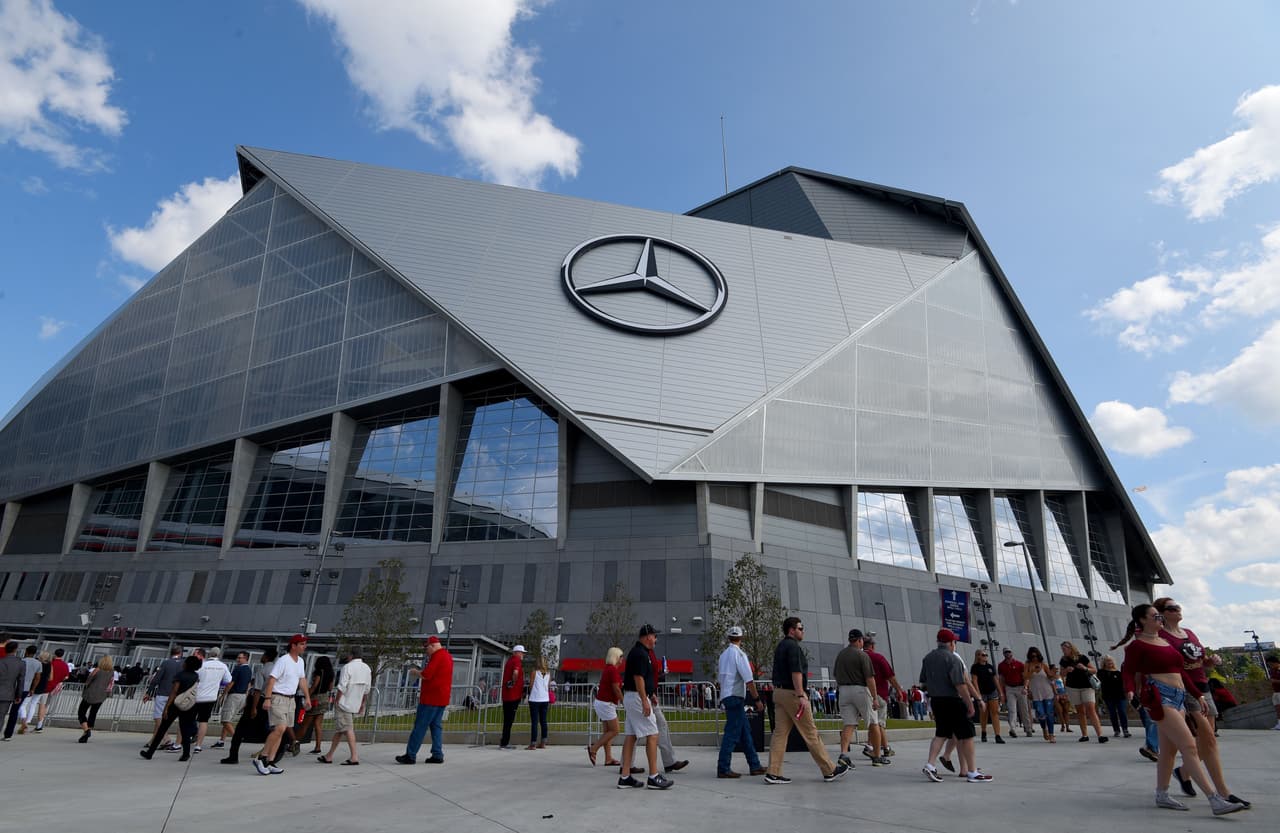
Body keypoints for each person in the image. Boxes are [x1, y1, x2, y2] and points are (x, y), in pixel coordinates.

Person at [1116, 604, 1243, 815]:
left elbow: (1181, 672)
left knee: (1168, 752)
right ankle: (1215, 799)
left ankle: (1162, 794)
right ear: (1142, 620)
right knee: (1189, 746)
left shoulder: (1165, 642)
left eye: (1159, 616)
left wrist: (1198, 694)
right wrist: (1130, 691)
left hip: (1179, 698)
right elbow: (1128, 672)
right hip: (1160, 698)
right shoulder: (1137, 646)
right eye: (1155, 616)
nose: (1159, 619)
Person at [1154, 598, 1247, 807]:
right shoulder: (1161, 636)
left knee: (1204, 742)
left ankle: (1183, 772)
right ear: (1162, 613)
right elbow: (1168, 665)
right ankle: (1222, 793)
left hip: (1203, 687)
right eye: (1172, 608)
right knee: (1208, 740)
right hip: (1184, 689)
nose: (1178, 610)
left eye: (1178, 607)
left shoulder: (1189, 633)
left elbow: (1199, 661)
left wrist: (1210, 662)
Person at [763, 617, 849, 785]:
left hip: (779, 693)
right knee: (810, 733)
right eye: (800, 628)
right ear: (791, 630)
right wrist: (801, 695)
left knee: (779, 734)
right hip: (792, 694)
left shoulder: (781, 646)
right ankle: (829, 770)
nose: (803, 631)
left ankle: (773, 772)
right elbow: (796, 672)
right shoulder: (793, 647)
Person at [920, 628, 991, 783]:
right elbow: (960, 684)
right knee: (967, 735)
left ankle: (930, 764)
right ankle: (972, 772)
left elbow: (924, 680)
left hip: (937, 700)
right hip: (952, 700)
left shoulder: (928, 658)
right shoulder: (953, 659)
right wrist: (970, 703)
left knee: (941, 733)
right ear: (951, 643)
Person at [616, 624, 674, 790]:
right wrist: (644, 699)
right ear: (647, 636)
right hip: (636, 697)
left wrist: (651, 694)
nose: (656, 639)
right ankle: (654, 776)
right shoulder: (640, 654)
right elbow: (638, 678)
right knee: (653, 733)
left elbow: (644, 679)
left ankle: (625, 776)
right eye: (654, 636)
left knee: (631, 736)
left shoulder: (641, 653)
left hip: (633, 696)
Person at [256, 634, 312, 775]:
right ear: (293, 646)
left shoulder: (300, 662)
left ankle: (270, 761)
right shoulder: (283, 660)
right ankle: (262, 758)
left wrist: (307, 697)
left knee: (282, 730)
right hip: (278, 697)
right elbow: (272, 679)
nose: (304, 646)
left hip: (290, 699)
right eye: (301, 644)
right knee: (279, 728)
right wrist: (267, 698)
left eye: (305, 644)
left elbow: (302, 679)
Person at [716, 625, 765, 778]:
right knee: (731, 734)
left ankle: (754, 765)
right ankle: (723, 768)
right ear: (741, 638)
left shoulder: (723, 655)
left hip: (726, 695)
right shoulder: (740, 655)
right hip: (736, 696)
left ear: (729, 637)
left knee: (745, 733)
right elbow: (749, 680)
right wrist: (757, 699)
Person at [397, 636, 453, 765]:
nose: (426, 651)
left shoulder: (437, 656)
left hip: (431, 698)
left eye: (426, 647)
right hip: (442, 697)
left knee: (420, 726)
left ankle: (410, 755)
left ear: (432, 645)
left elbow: (427, 674)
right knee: (436, 726)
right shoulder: (447, 656)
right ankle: (437, 754)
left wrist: (415, 672)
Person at [834, 627, 883, 767]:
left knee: (848, 724)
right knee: (873, 722)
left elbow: (836, 675)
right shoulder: (862, 656)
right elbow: (869, 678)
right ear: (860, 640)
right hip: (860, 689)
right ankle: (877, 756)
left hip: (843, 690)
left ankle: (844, 754)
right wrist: (874, 697)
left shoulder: (841, 655)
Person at [220, 647, 276, 766]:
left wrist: (253, 707)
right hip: (271, 700)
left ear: (266, 657)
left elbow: (257, 690)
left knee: (240, 730)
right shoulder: (276, 669)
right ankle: (271, 752)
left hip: (259, 700)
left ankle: (233, 755)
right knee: (269, 728)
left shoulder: (262, 670)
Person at [141, 655, 202, 761]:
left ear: (187, 664)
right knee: (185, 730)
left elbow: (174, 692)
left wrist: (166, 707)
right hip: (188, 705)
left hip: (175, 704)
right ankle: (186, 754)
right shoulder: (196, 676)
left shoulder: (180, 675)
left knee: (163, 728)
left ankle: (150, 752)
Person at [320, 646, 371, 765]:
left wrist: (336, 700)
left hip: (343, 702)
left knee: (347, 728)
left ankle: (354, 756)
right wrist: (362, 704)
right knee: (341, 728)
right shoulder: (366, 668)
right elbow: (367, 689)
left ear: (351, 655)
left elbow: (342, 685)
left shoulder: (347, 667)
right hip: (355, 703)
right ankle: (329, 755)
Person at [863, 637, 904, 758]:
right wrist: (898, 690)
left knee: (872, 721)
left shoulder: (859, 657)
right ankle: (885, 748)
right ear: (872, 646)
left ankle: (870, 745)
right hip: (879, 694)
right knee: (879, 723)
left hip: (863, 694)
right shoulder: (878, 658)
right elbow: (890, 676)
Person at [1058, 641, 1106, 742]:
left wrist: (1084, 668)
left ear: (1071, 648)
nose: (1063, 651)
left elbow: (1094, 670)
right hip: (1073, 687)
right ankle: (1085, 735)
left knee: (1091, 709)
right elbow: (1061, 673)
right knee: (1080, 711)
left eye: (1065, 649)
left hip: (1086, 686)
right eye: (1062, 649)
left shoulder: (1082, 657)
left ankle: (1100, 735)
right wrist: (1066, 670)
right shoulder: (1063, 660)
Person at [587, 647, 624, 766]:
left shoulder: (609, 669)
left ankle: (608, 758)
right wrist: (624, 702)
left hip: (602, 703)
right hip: (606, 704)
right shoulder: (612, 670)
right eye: (621, 656)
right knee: (615, 730)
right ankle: (594, 749)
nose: (622, 659)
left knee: (608, 731)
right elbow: (616, 689)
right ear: (616, 657)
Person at [143, 646, 184, 751]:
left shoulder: (166, 663)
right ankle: (154, 740)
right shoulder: (183, 664)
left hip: (163, 693)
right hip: (177, 695)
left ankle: (166, 738)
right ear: (181, 653)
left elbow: (156, 679)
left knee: (158, 717)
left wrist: (149, 692)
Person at [193, 647, 231, 752]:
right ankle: (198, 745)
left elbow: (194, 677)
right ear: (219, 655)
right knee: (203, 721)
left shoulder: (202, 664)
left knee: (189, 719)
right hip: (210, 697)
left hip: (197, 695)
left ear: (209, 654)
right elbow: (228, 680)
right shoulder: (223, 666)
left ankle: (182, 742)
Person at [214, 652, 253, 748]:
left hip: (234, 695)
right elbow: (249, 684)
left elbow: (231, 682)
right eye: (238, 657)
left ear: (245, 659)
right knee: (229, 719)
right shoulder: (249, 670)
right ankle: (221, 740)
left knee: (225, 720)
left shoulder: (238, 669)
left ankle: (237, 739)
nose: (238, 659)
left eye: (240, 658)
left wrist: (223, 694)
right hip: (242, 695)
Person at [301, 654, 335, 754]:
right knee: (318, 724)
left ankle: (293, 743)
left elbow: (315, 685)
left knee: (305, 724)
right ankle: (318, 747)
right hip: (325, 698)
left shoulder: (319, 672)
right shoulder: (331, 673)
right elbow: (330, 688)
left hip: (316, 698)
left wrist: (307, 694)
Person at [970, 649, 1004, 744]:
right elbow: (974, 681)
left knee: (995, 713)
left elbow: (995, 679)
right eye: (983, 655)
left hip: (992, 692)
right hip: (982, 693)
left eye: (986, 655)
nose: (985, 656)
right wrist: (978, 693)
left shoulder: (990, 667)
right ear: (978, 656)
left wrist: (1000, 692)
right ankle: (983, 732)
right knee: (983, 714)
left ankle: (997, 735)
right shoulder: (975, 667)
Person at [77, 655, 115, 742]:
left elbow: (88, 680)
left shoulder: (97, 670)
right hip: (102, 695)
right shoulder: (111, 672)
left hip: (90, 694)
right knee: (93, 713)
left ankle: (86, 730)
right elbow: (111, 684)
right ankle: (86, 733)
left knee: (81, 712)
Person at [997, 647, 1032, 738]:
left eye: (1009, 652)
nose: (1007, 654)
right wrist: (1002, 693)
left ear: (1012, 653)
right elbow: (1001, 679)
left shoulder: (1019, 664)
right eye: (1006, 652)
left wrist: (1025, 687)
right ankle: (1013, 728)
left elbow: (1026, 677)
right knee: (1012, 709)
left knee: (1024, 709)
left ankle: (1028, 728)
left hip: (1020, 687)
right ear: (1004, 654)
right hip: (1009, 688)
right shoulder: (1001, 665)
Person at [1024, 647, 1055, 743]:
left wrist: (1053, 673)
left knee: (1049, 714)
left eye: (1036, 656)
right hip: (1036, 694)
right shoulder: (1028, 665)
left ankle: (1051, 734)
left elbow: (1050, 676)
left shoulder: (1043, 665)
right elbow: (1025, 677)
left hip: (1047, 692)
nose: (1035, 658)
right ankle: (1044, 729)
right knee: (1041, 714)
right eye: (1032, 656)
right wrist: (1032, 671)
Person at [35, 648, 71, 731]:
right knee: (46, 705)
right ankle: (41, 723)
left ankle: (39, 725)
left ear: (55, 654)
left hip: (46, 686)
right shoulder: (65, 665)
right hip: (55, 688)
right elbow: (66, 677)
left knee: (42, 705)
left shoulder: (51, 663)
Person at [498, 644, 525, 749]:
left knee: (507, 719)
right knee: (509, 719)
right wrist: (513, 682)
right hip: (513, 695)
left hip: (507, 695)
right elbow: (516, 672)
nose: (523, 655)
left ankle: (504, 741)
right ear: (517, 652)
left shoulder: (509, 661)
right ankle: (505, 742)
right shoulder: (516, 661)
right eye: (522, 653)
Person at [1097, 656, 1129, 738]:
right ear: (1104, 663)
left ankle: (1125, 729)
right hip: (1108, 696)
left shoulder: (1118, 672)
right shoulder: (1101, 672)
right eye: (1107, 661)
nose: (1109, 663)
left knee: (1122, 712)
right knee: (1112, 713)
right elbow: (1103, 680)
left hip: (1120, 695)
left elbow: (1123, 683)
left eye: (1111, 661)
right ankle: (1116, 730)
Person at [14, 647, 44, 734]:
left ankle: (23, 722)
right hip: (27, 688)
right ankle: (25, 722)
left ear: (26, 652)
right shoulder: (38, 663)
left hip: (17, 686)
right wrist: (33, 689)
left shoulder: (21, 661)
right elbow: (37, 678)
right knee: (22, 705)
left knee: (17, 706)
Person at [527, 654, 551, 749]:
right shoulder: (549, 674)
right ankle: (543, 742)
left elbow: (531, 685)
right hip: (545, 698)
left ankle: (533, 743)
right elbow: (548, 686)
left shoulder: (534, 672)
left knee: (534, 721)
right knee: (543, 721)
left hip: (535, 698)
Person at [0, 640, 22, 740]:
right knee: (1, 716)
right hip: (8, 693)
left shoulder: (1, 661)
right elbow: (20, 681)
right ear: (15, 650)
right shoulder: (20, 663)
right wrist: (19, 695)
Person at [1268, 654, 1280, 731]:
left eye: (1271, 664)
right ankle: (1279, 724)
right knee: (1278, 709)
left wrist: (1275, 681)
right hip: (1276, 692)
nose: (1270, 666)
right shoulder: (1272, 670)